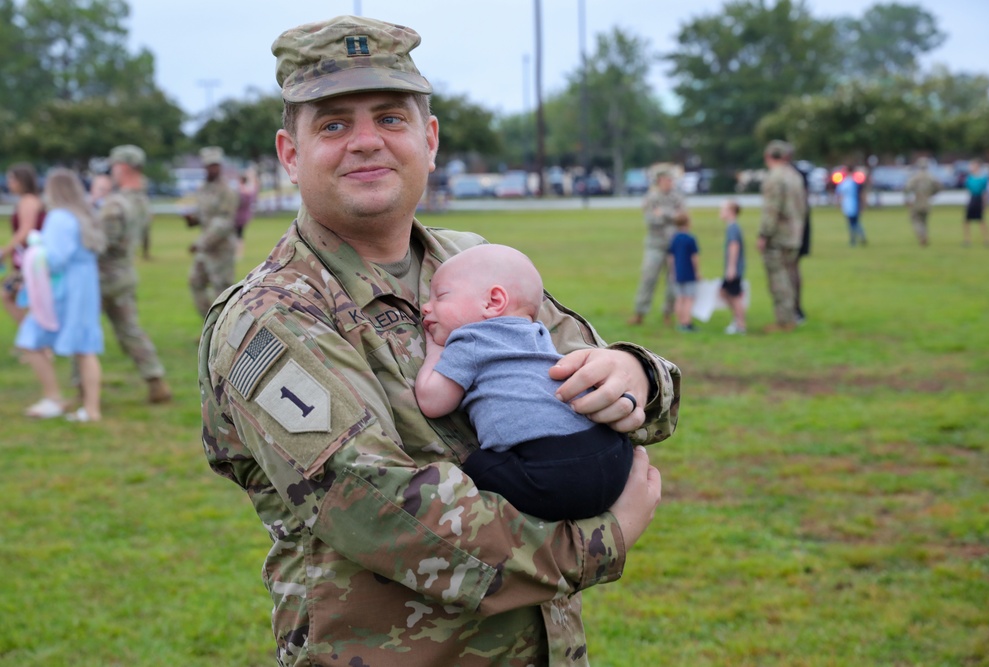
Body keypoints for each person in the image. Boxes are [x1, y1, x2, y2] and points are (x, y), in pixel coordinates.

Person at [198, 15, 678, 666]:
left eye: (390, 119)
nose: (366, 142)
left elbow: (592, 367)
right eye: (334, 124)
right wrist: (602, 540)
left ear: (429, 140)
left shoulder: (471, 263)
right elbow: (384, 510)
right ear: (289, 153)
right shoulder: (274, 317)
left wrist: (636, 374)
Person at [414, 243, 634, 521]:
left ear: (493, 302)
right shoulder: (538, 333)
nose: (425, 307)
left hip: (548, 474)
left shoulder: (469, 339)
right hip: (612, 454)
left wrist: (435, 350)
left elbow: (433, 401)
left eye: (441, 297)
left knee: (477, 466)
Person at [16, 168, 105, 422]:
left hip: (64, 288)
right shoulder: (86, 214)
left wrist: (36, 248)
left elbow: (54, 259)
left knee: (31, 338)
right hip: (85, 285)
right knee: (85, 347)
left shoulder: (59, 218)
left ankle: (54, 397)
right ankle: (91, 408)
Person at [97, 144, 172, 403]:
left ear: (124, 167)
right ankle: (156, 380)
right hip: (125, 274)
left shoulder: (116, 204)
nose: (111, 171)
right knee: (130, 330)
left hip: (102, 277)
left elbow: (100, 243)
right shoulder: (141, 200)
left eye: (114, 166)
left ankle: (83, 390)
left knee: (81, 332)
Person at [756, 140, 806, 333]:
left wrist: (763, 235)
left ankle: (784, 321)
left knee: (778, 279)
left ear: (768, 156)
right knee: (789, 275)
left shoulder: (774, 178)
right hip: (794, 235)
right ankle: (791, 315)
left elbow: (771, 210)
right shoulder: (795, 176)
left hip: (778, 236)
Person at [628, 163, 687, 326]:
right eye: (668, 179)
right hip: (655, 244)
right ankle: (640, 312)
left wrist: (663, 214)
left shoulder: (677, 197)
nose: (671, 182)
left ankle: (668, 313)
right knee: (648, 277)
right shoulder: (651, 197)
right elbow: (650, 219)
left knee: (673, 281)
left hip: (674, 245)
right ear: (660, 180)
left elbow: (683, 218)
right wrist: (671, 216)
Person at [185, 146, 238, 317]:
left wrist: (200, 243)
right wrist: (193, 219)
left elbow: (223, 223)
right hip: (205, 249)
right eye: (209, 165)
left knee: (221, 292)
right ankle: (208, 326)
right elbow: (204, 216)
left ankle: (222, 333)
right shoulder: (203, 189)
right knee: (195, 282)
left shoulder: (227, 191)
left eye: (216, 165)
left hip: (220, 248)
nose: (212, 168)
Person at [2, 163, 47, 325]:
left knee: (8, 294)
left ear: (21, 180)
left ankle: (32, 340)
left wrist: (4, 252)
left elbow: (25, 231)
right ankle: (32, 339)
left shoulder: (28, 201)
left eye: (11, 179)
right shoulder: (31, 200)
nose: (8, 183)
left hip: (30, 259)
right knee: (20, 297)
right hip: (29, 258)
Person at [667, 211, 700, 332]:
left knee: (679, 298)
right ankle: (687, 322)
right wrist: (697, 272)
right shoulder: (690, 239)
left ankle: (679, 323)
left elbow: (671, 257)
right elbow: (694, 257)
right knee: (689, 298)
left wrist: (672, 271)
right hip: (689, 273)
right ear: (688, 223)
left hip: (677, 273)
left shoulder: (674, 238)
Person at [719, 200, 746, 335]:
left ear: (731, 212)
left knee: (734, 296)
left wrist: (731, 268)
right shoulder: (731, 227)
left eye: (723, 210)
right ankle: (737, 320)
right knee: (724, 292)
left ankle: (740, 324)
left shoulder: (733, 228)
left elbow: (734, 247)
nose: (720, 212)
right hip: (733, 268)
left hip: (734, 269)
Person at [903, 157, 943, 247]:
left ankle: (921, 235)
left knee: (916, 220)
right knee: (924, 221)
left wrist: (907, 199)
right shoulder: (931, 177)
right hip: (927, 202)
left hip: (917, 201)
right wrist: (932, 193)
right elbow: (939, 187)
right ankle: (925, 236)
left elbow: (907, 188)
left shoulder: (915, 177)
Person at [790, 155, 811, 323]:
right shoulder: (800, 177)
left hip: (792, 234)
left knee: (790, 271)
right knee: (795, 269)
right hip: (801, 231)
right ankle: (796, 308)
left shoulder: (789, 176)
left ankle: (793, 310)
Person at [836, 165, 867, 246]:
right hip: (852, 204)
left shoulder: (846, 182)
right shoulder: (854, 182)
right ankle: (859, 236)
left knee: (852, 223)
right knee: (855, 222)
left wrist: (838, 203)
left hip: (850, 204)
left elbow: (839, 194)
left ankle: (854, 239)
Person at [962, 159, 989, 247]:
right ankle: (967, 240)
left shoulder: (983, 179)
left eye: (972, 166)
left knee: (981, 220)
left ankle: (986, 240)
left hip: (979, 199)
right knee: (967, 220)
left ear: (977, 167)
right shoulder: (969, 178)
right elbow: (968, 190)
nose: (971, 168)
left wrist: (984, 203)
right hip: (972, 199)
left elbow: (985, 192)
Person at [234, 167, 259, 259]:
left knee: (238, 236)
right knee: (239, 235)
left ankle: (238, 254)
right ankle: (238, 254)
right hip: (244, 216)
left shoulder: (241, 192)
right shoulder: (249, 191)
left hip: (238, 217)